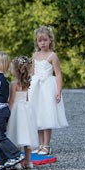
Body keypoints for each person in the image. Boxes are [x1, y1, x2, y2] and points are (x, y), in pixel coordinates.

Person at [29, 26, 68, 155]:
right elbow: (32, 73)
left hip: (47, 88)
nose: (43, 43)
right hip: (36, 88)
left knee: (47, 115)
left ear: (50, 40)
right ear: (37, 42)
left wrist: (58, 91)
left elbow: (58, 74)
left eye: (45, 40)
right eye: (40, 41)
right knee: (37, 116)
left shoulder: (53, 56)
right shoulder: (35, 55)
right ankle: (40, 144)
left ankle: (46, 145)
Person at [6, 56, 38, 170]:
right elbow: (27, 98)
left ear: (16, 70)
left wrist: (8, 114)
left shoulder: (14, 84)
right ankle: (29, 162)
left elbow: (11, 100)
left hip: (16, 110)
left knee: (17, 135)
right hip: (26, 109)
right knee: (26, 136)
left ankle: (18, 161)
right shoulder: (27, 82)